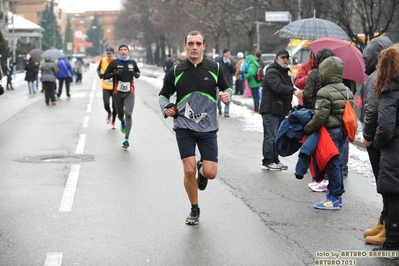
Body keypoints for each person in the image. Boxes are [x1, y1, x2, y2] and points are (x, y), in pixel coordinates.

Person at [158, 30, 232, 225]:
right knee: (188, 171)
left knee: (211, 173)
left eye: (198, 44)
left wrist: (226, 96)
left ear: (204, 46)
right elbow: (163, 95)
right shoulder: (176, 70)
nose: (194, 47)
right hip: (184, 126)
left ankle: (202, 169)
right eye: (190, 44)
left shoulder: (214, 68)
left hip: (207, 127)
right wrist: (167, 108)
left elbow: (227, 88)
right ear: (185, 46)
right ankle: (194, 208)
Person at [303, 56, 353, 210]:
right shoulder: (347, 90)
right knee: (337, 163)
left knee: (331, 164)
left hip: (330, 133)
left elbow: (320, 117)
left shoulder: (324, 92)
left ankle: (333, 198)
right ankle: (337, 196)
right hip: (342, 131)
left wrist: (307, 128)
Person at [362, 36, 393, 246]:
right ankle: (384, 221)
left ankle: (388, 226)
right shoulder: (384, 74)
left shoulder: (376, 76)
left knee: (386, 185)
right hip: (385, 136)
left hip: (378, 139)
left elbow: (371, 110)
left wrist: (367, 136)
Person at [370, 46, 399, 256]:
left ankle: (392, 242)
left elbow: (385, 128)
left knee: (393, 195)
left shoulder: (390, 91)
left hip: (394, 150)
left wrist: (379, 143)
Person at [260, 50, 302, 170]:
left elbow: (286, 89)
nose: (285, 60)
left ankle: (275, 160)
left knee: (277, 137)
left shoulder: (285, 71)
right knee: (270, 136)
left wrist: (288, 107)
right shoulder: (272, 72)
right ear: (276, 59)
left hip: (280, 109)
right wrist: (293, 91)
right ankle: (267, 161)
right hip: (270, 109)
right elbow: (278, 87)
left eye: (287, 57)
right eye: (283, 57)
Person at [301, 48, 336, 192]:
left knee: (317, 149)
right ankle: (331, 182)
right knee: (332, 151)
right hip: (334, 117)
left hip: (316, 115)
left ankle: (320, 179)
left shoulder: (315, 74)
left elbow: (307, 95)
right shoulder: (337, 77)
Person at [103, 44, 141, 149]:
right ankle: (122, 121)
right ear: (119, 52)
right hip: (117, 93)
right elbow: (105, 76)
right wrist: (115, 74)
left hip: (130, 92)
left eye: (125, 50)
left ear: (128, 51)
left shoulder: (132, 62)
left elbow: (137, 72)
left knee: (128, 113)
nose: (123, 51)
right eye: (121, 50)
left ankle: (126, 139)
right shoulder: (114, 63)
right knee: (120, 115)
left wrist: (137, 74)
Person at [97, 47, 117, 129]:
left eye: (110, 53)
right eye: (107, 53)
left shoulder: (116, 62)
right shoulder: (103, 60)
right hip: (105, 87)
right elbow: (98, 69)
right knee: (106, 104)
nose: (108, 55)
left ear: (113, 54)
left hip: (114, 87)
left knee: (115, 106)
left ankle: (113, 121)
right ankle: (109, 113)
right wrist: (100, 74)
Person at [217, 48, 235, 117]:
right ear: (224, 54)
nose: (229, 54)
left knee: (228, 97)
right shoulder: (218, 61)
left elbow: (234, 71)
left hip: (228, 82)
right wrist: (225, 64)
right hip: (219, 82)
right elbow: (218, 70)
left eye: (229, 53)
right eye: (227, 53)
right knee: (218, 98)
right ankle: (219, 108)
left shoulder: (231, 61)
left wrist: (230, 64)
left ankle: (226, 112)